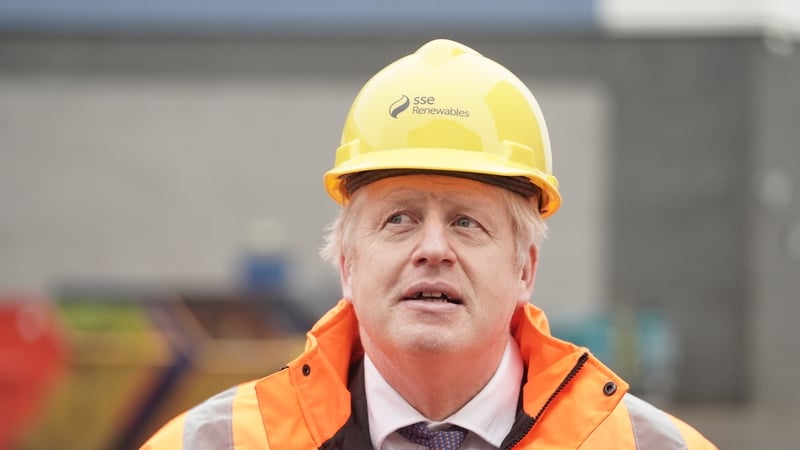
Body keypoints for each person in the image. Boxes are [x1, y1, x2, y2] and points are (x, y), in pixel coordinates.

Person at [142, 39, 717, 449]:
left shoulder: (649, 446)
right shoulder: (215, 444)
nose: (433, 249)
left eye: (468, 222)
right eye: (399, 219)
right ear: (347, 263)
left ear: (526, 269)